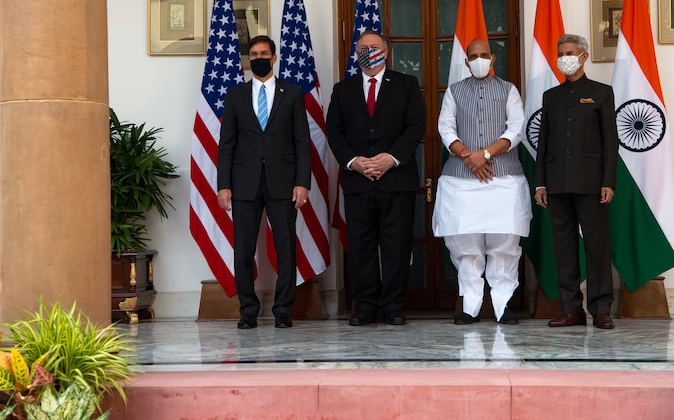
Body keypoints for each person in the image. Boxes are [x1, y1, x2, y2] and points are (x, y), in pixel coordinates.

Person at [326, 30, 426, 326]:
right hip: (358, 181)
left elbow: (415, 126)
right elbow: (335, 132)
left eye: (373, 47)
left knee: (397, 246)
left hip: (397, 180)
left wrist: (390, 158)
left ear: (386, 51)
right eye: (362, 48)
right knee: (361, 245)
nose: (368, 51)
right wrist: (354, 161)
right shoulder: (343, 89)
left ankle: (393, 305)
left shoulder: (406, 84)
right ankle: (366, 305)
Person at [433, 39, 531, 325]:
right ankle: (471, 306)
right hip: (461, 180)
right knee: (466, 246)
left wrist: (485, 154)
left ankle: (502, 305)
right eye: (473, 56)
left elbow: (516, 128)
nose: (478, 60)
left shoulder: (508, 89)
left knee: (504, 244)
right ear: (466, 62)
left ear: (493, 58)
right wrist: (467, 155)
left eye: (483, 55)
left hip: (504, 178)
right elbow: (445, 127)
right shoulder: (454, 91)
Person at [217, 35, 311, 330]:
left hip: (283, 182)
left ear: (273, 58)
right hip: (243, 183)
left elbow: (302, 143)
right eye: (253, 54)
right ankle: (248, 310)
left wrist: (302, 183)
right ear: (248, 60)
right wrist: (224, 185)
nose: (258, 58)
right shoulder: (235, 95)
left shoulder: (292, 93)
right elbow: (227, 144)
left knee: (286, 248)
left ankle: (283, 309)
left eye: (263, 53)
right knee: (243, 250)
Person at [534, 33, 619, 330]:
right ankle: (571, 309)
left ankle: (601, 309)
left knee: (597, 248)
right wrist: (540, 183)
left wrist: (608, 181)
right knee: (564, 249)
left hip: (592, 183)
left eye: (570, 52)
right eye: (561, 53)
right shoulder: (551, 96)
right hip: (557, 184)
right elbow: (543, 143)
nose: (564, 58)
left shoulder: (601, 92)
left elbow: (611, 142)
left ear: (583, 57)